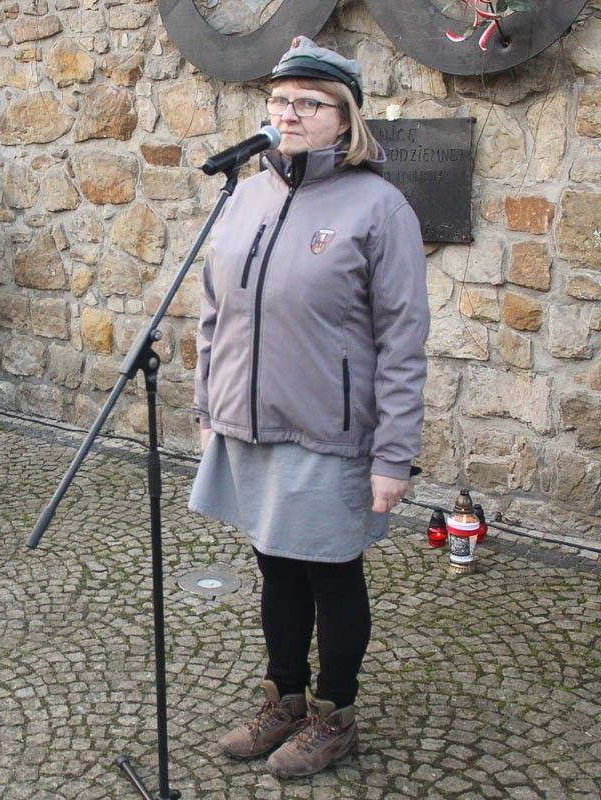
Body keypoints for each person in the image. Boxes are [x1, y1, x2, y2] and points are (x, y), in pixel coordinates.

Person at [189, 36, 429, 778]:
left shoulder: (378, 207)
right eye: (278, 99)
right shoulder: (246, 193)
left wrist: (394, 454)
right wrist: (208, 405)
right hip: (248, 421)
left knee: (330, 572)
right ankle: (283, 698)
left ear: (344, 117)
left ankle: (335, 714)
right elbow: (212, 312)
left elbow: (402, 341)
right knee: (274, 568)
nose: (286, 113)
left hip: (330, 430)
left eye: (306, 103)